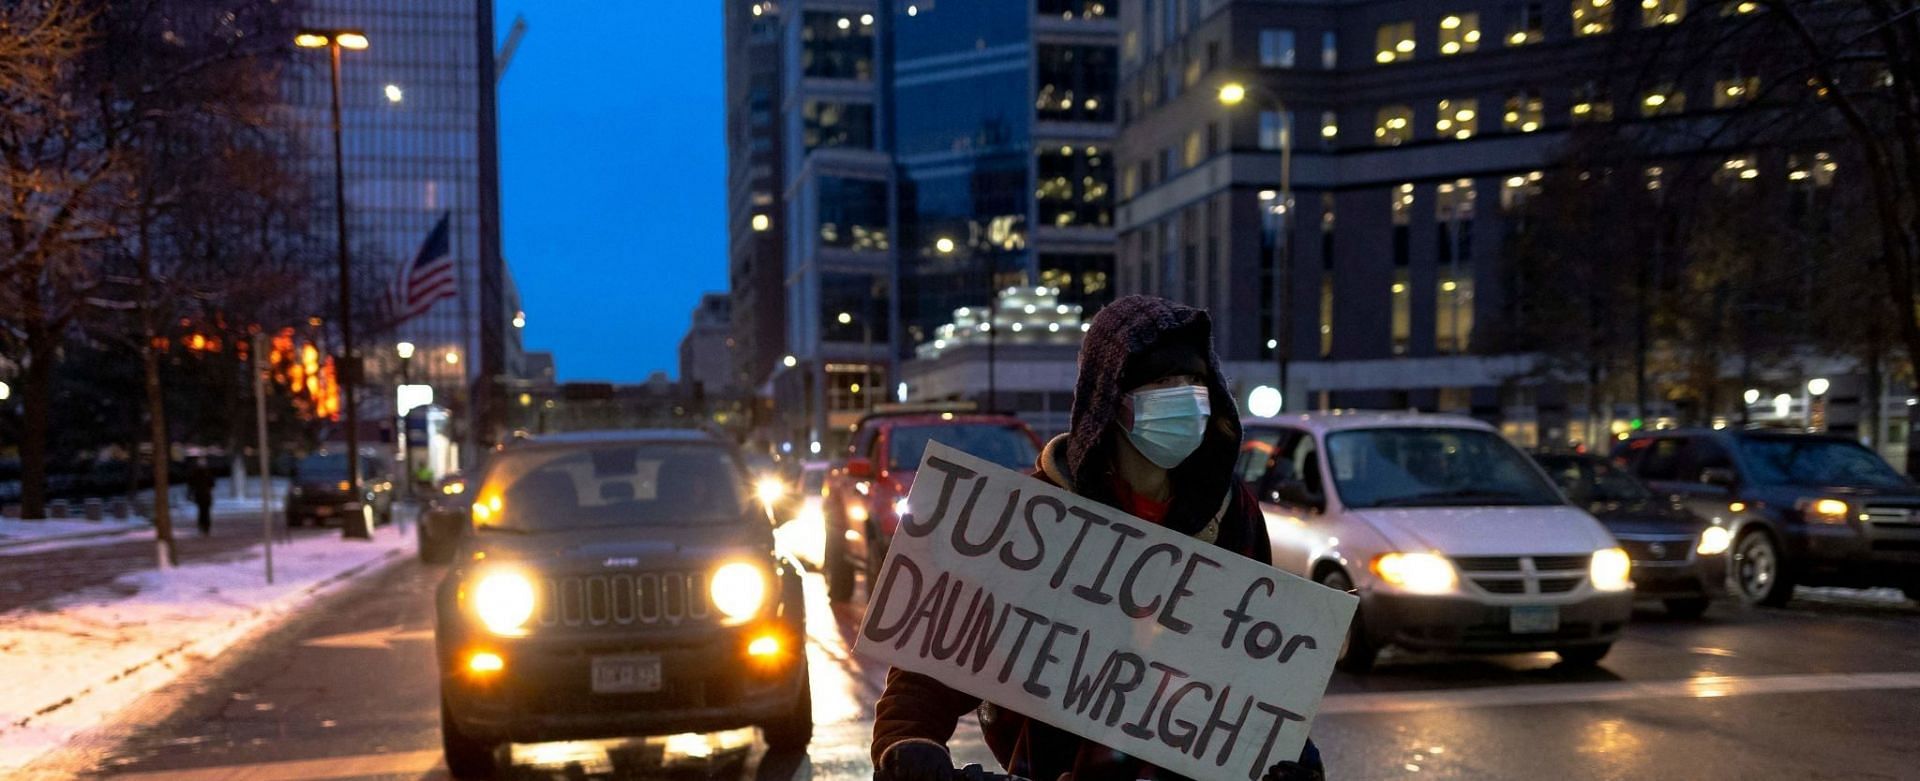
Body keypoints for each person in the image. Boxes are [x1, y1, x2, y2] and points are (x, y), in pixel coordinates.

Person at [871, 295, 1326, 781]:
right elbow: (941, 652)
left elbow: (1252, 663)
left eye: (1196, 382)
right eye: (1163, 383)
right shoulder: (1032, 518)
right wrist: (908, 742)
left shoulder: (1232, 511)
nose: (1187, 397)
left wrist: (1287, 748)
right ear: (1112, 398)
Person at [186, 458, 217, 537]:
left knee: (201, 511)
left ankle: (202, 526)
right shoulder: (207, 473)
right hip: (205, 495)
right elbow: (212, 484)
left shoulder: (195, 473)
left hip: (200, 495)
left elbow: (191, 485)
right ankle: (206, 527)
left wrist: (189, 494)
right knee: (206, 511)